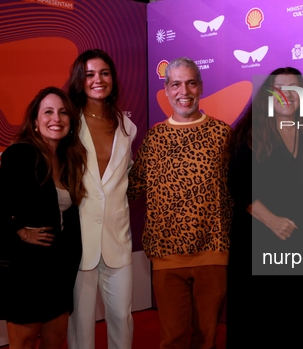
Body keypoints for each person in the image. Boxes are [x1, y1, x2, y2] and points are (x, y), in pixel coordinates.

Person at [127, 57, 231, 349]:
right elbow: (130, 187)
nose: (183, 91)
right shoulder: (155, 137)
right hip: (166, 256)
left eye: (190, 83)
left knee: (206, 339)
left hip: (212, 254)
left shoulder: (222, 134)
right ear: (167, 89)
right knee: (171, 339)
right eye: (176, 84)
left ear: (200, 87)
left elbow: (239, 189)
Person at [227, 67, 303, 348]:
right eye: (279, 88)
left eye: (293, 88)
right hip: (259, 245)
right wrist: (272, 220)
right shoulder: (250, 133)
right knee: (264, 325)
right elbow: (238, 185)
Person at [0, 87, 86, 349]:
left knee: (54, 339)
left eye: (63, 113)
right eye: (48, 112)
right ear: (36, 122)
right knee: (24, 341)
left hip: (57, 269)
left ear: (71, 121)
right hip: (24, 269)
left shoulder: (68, 159)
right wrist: (20, 229)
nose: (56, 118)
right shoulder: (23, 154)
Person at [66, 49, 137, 349]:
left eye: (105, 73)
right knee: (81, 324)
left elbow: (125, 179)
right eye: (91, 74)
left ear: (113, 78)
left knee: (122, 316)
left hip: (117, 239)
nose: (98, 80)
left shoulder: (127, 127)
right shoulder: (67, 122)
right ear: (80, 80)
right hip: (78, 239)